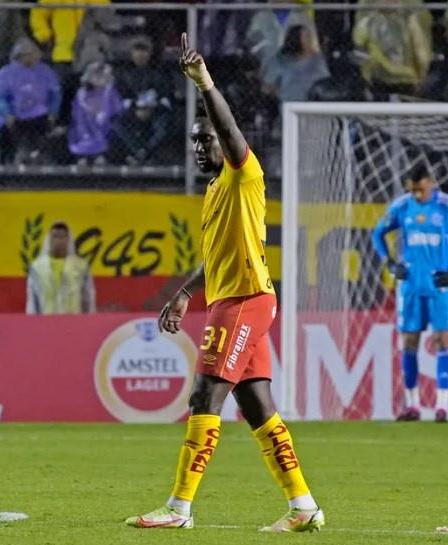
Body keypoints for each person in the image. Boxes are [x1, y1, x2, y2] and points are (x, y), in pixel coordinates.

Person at [126, 33, 324, 532]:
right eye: (194, 140)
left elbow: (230, 128)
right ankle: (303, 506)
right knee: (257, 407)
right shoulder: (215, 191)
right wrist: (185, 291)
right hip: (230, 301)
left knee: (204, 397)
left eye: (206, 139)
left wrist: (205, 83)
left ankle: (179, 508)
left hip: (244, 303)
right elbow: (215, 259)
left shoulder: (243, 174)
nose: (199, 146)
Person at [373, 164, 448, 423]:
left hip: (440, 286)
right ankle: (412, 405)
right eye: (412, 190)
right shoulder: (402, 206)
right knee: (409, 342)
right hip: (411, 286)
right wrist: (389, 262)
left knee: (444, 339)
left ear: (431, 183)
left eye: (420, 190)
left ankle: (442, 407)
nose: (416, 195)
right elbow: (378, 233)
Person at [0, 38, 62, 165]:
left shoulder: (45, 71)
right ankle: (14, 157)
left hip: (40, 114)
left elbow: (55, 94)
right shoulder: (6, 73)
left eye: (34, 54)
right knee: (9, 128)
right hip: (15, 114)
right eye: (28, 55)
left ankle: (37, 155)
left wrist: (53, 112)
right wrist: (7, 113)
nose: (32, 57)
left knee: (44, 127)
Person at [352, 0, 432, 98]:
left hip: (407, 80)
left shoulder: (414, 6)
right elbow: (359, 39)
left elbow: (421, 46)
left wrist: (421, 75)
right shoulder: (367, 4)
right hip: (377, 77)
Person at [26, 221, 95, 314]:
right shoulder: (37, 267)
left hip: (74, 322)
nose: (59, 240)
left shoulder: (81, 266)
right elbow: (32, 300)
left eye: (62, 236)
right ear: (48, 239)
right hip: (46, 322)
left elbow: (88, 298)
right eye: (55, 236)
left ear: (68, 239)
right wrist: (31, 323)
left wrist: (90, 321)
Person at [67, 61, 122, 165]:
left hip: (105, 130)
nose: (100, 78)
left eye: (103, 75)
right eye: (96, 75)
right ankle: (83, 156)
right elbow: (78, 115)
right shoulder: (82, 93)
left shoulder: (110, 92)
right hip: (85, 130)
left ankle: (101, 155)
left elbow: (118, 109)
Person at [262, 25, 329, 105]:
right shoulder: (280, 61)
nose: (310, 40)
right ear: (296, 40)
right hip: (288, 108)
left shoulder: (320, 61)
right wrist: (281, 95)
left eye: (310, 37)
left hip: (314, 107)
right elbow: (266, 86)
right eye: (306, 37)